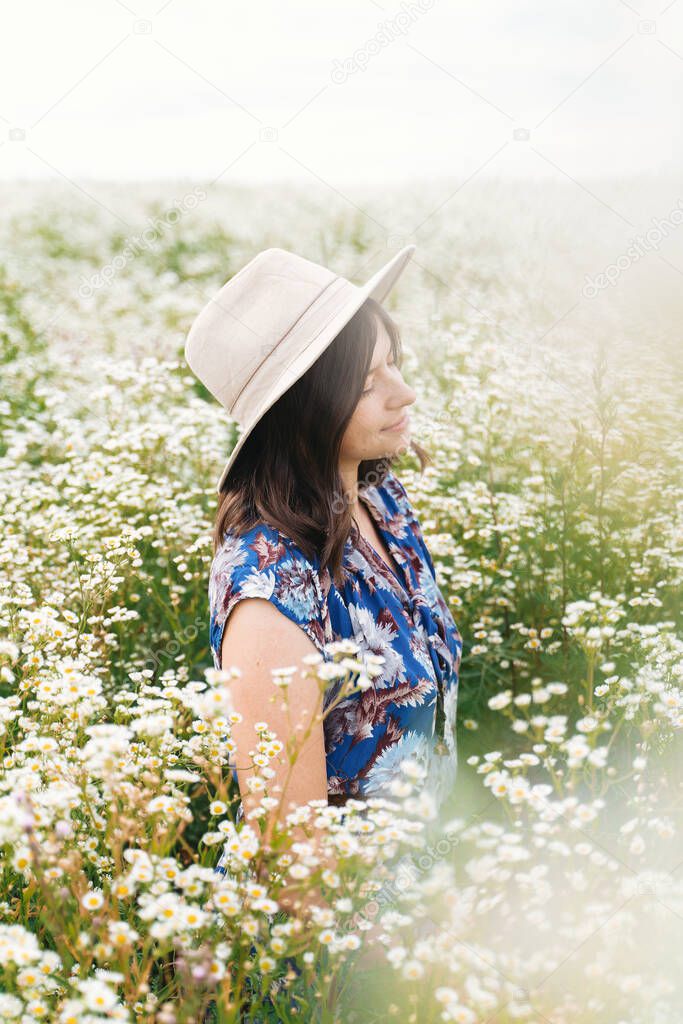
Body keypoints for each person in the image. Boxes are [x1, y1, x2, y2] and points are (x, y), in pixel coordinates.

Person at [184, 245, 463, 981]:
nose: (403, 394)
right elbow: (291, 866)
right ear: (305, 406)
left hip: (428, 922)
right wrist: (402, 984)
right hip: (344, 969)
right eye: (370, 383)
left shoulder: (381, 506)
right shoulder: (269, 588)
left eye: (393, 364)